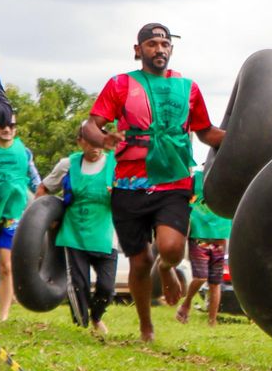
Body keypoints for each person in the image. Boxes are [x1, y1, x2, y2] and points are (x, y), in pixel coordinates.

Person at [82, 23, 225, 342]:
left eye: (164, 44)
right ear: (138, 50)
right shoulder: (120, 84)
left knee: (170, 248)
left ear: (171, 49)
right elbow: (90, 125)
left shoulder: (188, 88)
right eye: (151, 44)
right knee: (139, 260)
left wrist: (251, 138)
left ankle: (167, 267)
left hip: (173, 181)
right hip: (128, 184)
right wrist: (103, 139)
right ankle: (146, 325)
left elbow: (207, 132)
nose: (159, 49)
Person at [37, 124, 118, 335]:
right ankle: (81, 329)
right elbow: (44, 188)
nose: (96, 146)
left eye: (100, 141)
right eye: (90, 141)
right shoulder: (68, 164)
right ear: (80, 142)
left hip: (105, 236)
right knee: (79, 286)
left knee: (107, 288)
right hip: (74, 234)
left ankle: (96, 317)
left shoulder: (115, 164)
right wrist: (44, 219)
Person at [0, 113, 36, 321]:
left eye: (11, 125)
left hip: (13, 215)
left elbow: (35, 180)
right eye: (2, 125)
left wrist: (46, 203)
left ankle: (3, 316)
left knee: (7, 266)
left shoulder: (23, 152)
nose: (7, 129)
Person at [177, 166, 228, 326]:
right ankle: (186, 304)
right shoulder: (197, 178)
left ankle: (212, 322)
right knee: (201, 277)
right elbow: (185, 200)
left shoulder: (230, 178)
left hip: (219, 238)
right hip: (199, 236)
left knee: (215, 283)